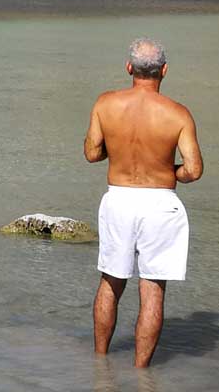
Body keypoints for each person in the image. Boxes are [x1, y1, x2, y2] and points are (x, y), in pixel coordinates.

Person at [83, 38, 203, 367]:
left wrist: (116, 150)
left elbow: (92, 153)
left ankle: (100, 365)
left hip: (119, 199)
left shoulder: (105, 104)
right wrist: (169, 170)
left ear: (128, 69)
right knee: (152, 288)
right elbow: (194, 170)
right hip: (161, 203)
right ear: (164, 70)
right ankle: (141, 374)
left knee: (111, 280)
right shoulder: (178, 114)